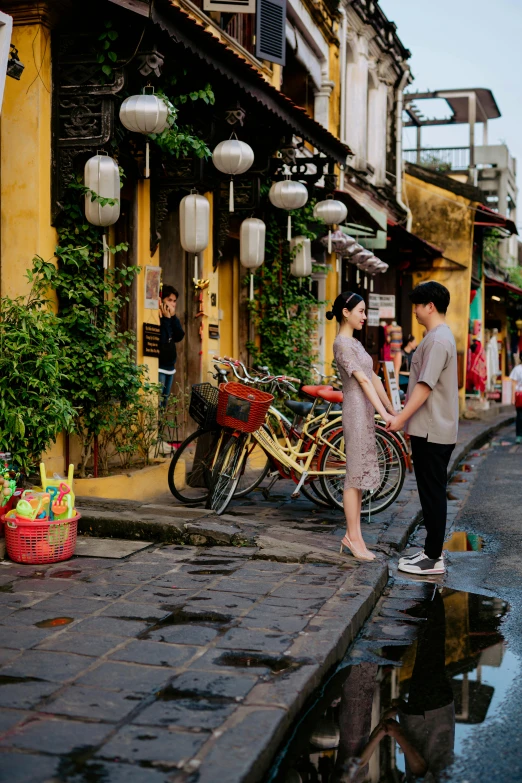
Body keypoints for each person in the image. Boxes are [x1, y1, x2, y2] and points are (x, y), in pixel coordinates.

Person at [387, 281, 458, 576]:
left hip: (433, 429)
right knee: (431, 492)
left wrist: (401, 418)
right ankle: (431, 552)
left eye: (417, 305)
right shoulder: (435, 337)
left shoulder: (438, 340)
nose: (414, 310)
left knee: (433, 493)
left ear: (430, 306)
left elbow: (425, 385)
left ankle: (433, 557)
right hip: (430, 427)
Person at [327, 292, 396, 561]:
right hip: (356, 410)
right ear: (346, 312)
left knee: (356, 476)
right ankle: (352, 537)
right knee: (353, 475)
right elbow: (363, 383)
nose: (365, 317)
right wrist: (384, 413)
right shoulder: (342, 344)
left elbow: (374, 377)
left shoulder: (355, 343)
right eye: (361, 311)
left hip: (365, 410)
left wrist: (393, 411)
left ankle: (355, 536)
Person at [158, 284, 185, 406]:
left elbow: (179, 335)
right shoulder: (159, 317)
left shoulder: (170, 317)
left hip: (170, 368)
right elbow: (165, 340)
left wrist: (173, 317)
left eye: (174, 301)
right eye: (169, 300)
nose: (172, 304)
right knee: (158, 404)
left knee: (164, 404)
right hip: (160, 367)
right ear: (161, 301)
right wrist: (167, 319)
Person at [510, 357, 522, 444]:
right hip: (520, 395)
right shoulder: (517, 369)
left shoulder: (517, 369)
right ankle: (519, 435)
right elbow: (514, 384)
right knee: (519, 416)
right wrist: (513, 397)